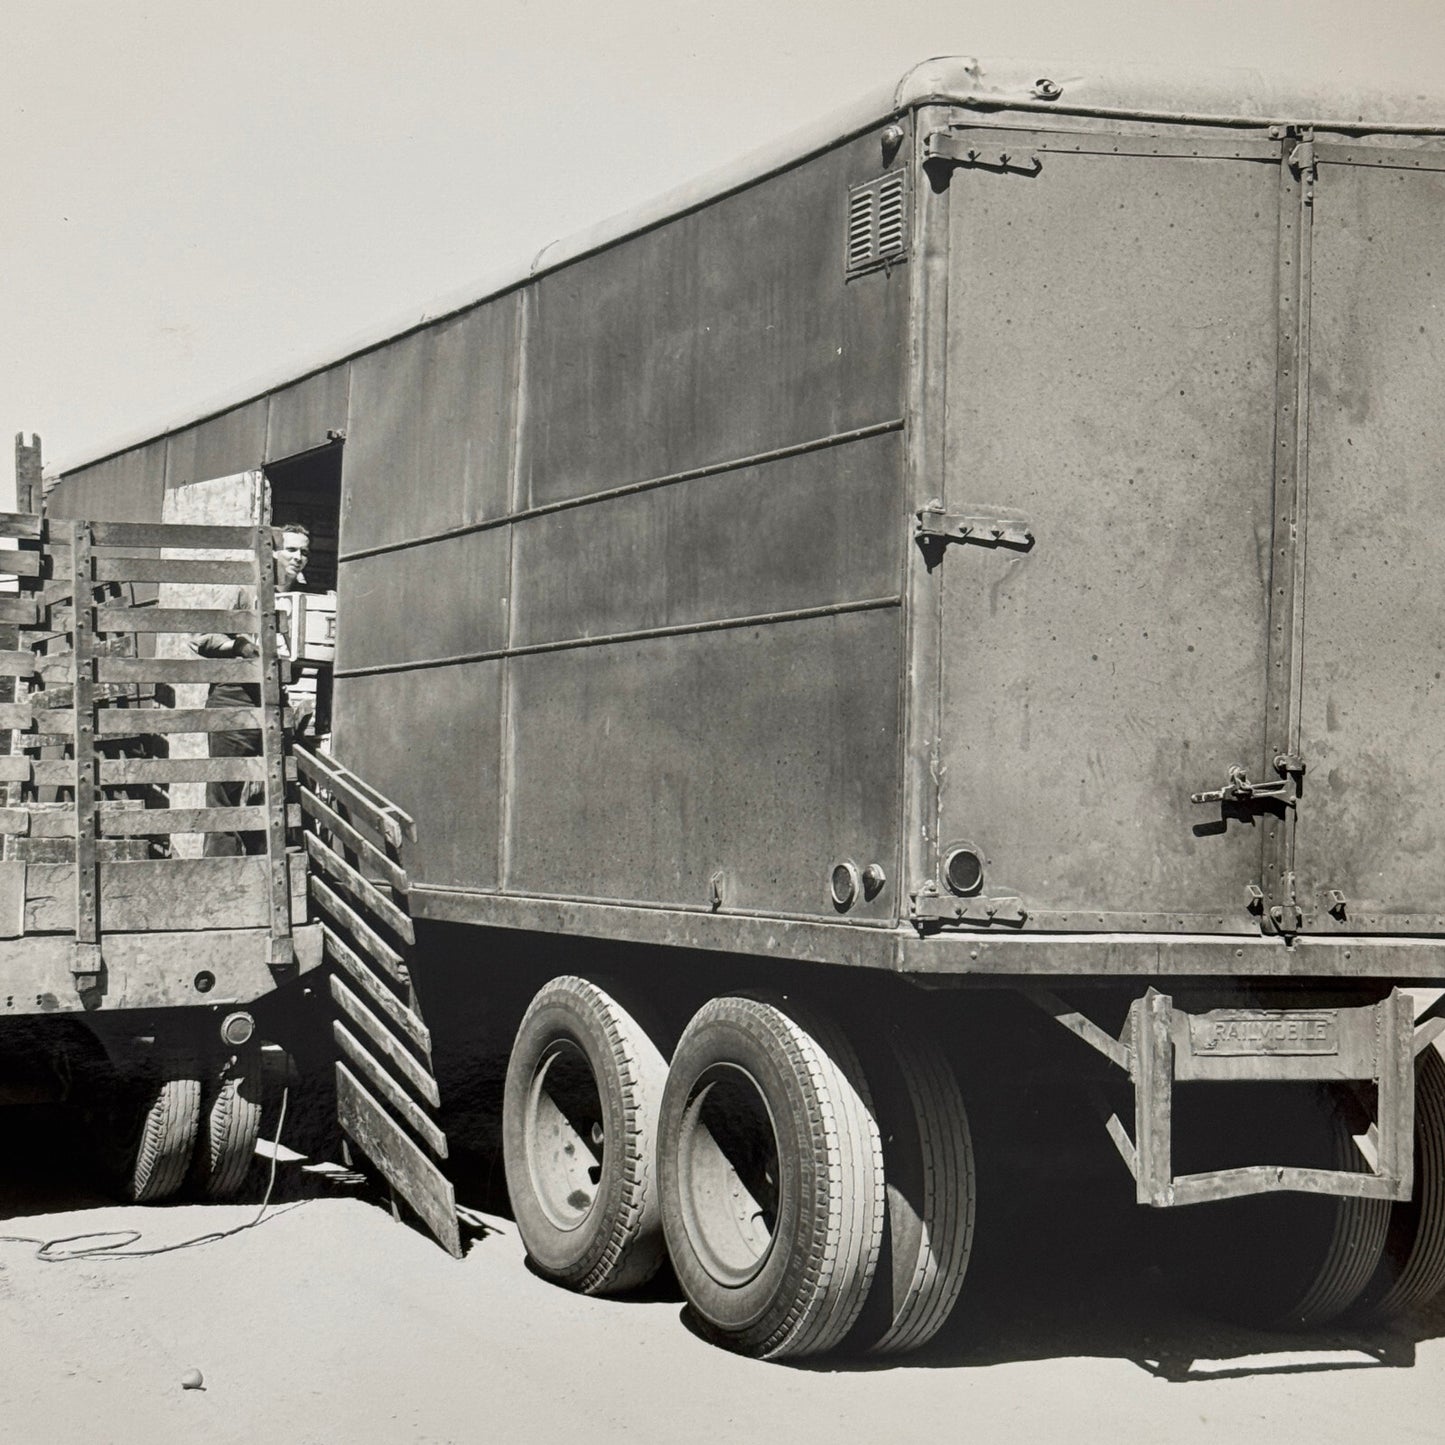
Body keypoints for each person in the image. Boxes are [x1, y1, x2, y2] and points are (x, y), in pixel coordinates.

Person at [193, 525, 311, 856]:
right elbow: (200, 637)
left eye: (304, 552)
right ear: (271, 552)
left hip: (275, 699)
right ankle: (220, 870)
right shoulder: (245, 587)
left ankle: (262, 869)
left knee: (272, 784)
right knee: (226, 786)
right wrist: (241, 645)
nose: (298, 558)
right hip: (234, 696)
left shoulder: (299, 597)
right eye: (291, 550)